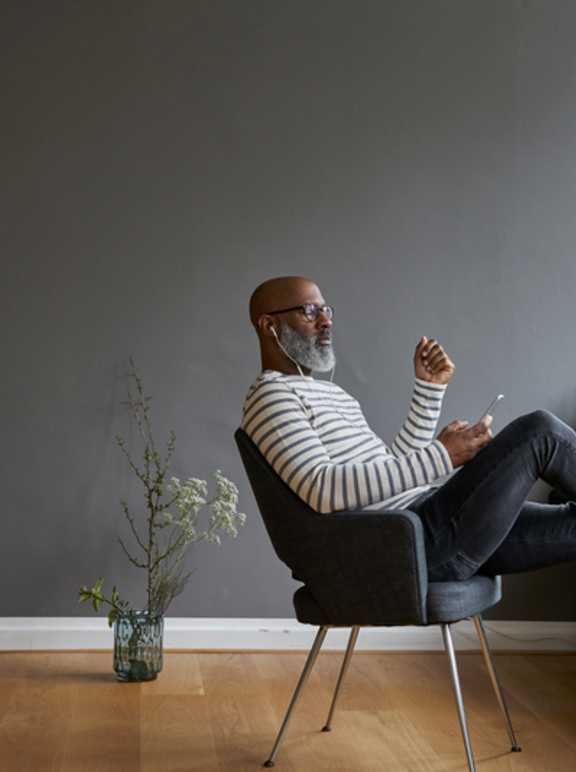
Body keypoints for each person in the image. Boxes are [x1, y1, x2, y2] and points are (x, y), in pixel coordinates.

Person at [241, 276, 576, 582]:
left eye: (325, 310)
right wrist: (441, 456)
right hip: (409, 542)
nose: (326, 321)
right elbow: (321, 488)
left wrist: (428, 392)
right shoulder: (271, 395)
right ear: (270, 325)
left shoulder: (333, 393)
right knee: (540, 431)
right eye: (310, 311)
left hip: (427, 520)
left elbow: (388, 470)